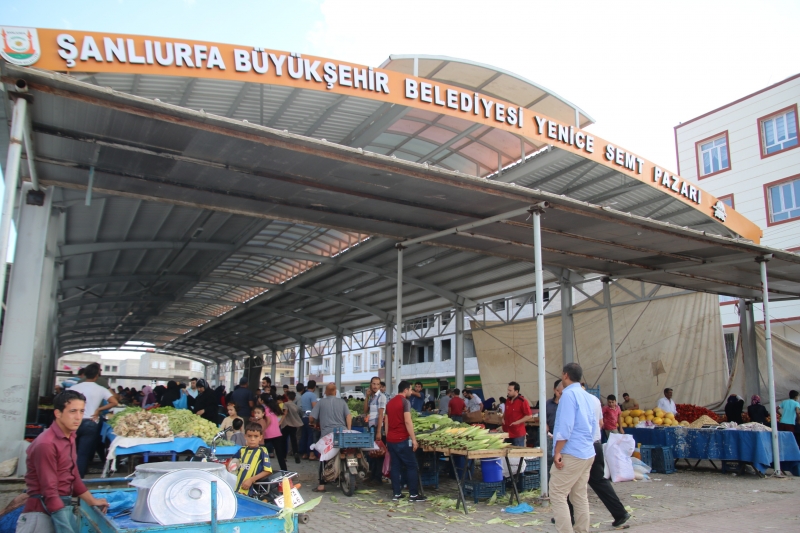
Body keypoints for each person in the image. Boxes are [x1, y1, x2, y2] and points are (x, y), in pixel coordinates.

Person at [17, 391, 109, 533]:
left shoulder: (70, 437)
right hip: (41, 514)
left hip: (62, 507)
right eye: (72, 411)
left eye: (81, 411)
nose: (78, 417)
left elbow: (73, 476)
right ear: (58, 413)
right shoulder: (46, 443)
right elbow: (49, 490)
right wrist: (65, 525)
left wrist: (91, 500)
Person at [550, 363, 597, 533]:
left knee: (557, 493)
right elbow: (594, 426)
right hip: (587, 451)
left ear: (565, 375)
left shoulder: (568, 395)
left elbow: (566, 427)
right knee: (579, 495)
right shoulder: (587, 396)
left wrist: (557, 451)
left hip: (572, 452)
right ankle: (581, 530)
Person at [69, 363, 118, 476]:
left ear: (85, 374)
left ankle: (67, 477)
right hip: (91, 422)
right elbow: (114, 402)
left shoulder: (74, 388)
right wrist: (99, 409)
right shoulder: (100, 389)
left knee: (71, 451)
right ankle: (78, 479)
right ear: (97, 376)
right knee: (83, 454)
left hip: (74, 422)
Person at [385, 381, 426, 502]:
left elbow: (386, 422)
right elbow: (408, 421)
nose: (411, 392)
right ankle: (413, 494)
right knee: (411, 465)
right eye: (410, 389)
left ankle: (396, 493)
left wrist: (387, 437)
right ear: (405, 390)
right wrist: (414, 439)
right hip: (402, 439)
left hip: (391, 440)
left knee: (395, 466)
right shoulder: (405, 402)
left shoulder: (389, 403)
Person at [310, 383, 352, 492]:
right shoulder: (342, 402)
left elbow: (311, 417)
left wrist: (313, 422)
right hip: (342, 433)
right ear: (335, 391)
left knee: (323, 457)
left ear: (325, 392)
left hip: (327, 435)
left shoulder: (321, 402)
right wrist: (348, 430)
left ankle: (321, 485)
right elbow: (348, 416)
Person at [232, 422, 272, 497]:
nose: (252, 439)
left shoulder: (262, 451)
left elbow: (267, 471)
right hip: (237, 488)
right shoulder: (242, 450)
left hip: (251, 491)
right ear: (245, 436)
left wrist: (251, 480)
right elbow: (232, 462)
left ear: (260, 437)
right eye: (249, 436)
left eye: (256, 436)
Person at [365, 376, 386, 484]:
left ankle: (377, 478)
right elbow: (365, 410)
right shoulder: (372, 397)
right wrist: (366, 397)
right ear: (370, 384)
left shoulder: (381, 397)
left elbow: (381, 414)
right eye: (374, 383)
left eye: (378, 384)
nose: (375, 386)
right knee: (371, 452)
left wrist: (378, 431)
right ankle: (372, 475)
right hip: (371, 427)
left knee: (378, 453)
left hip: (377, 427)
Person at [503, 381, 533, 447]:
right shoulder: (508, 400)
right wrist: (503, 418)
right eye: (508, 390)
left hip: (518, 433)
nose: (508, 392)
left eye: (510, 390)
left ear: (516, 391)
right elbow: (506, 411)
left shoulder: (523, 401)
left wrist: (517, 422)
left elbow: (529, 415)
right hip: (507, 431)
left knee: (518, 451)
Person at [263, 400, 288, 471]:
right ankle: (284, 470)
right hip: (277, 433)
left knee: (261, 451)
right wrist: (280, 422)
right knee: (280, 454)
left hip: (268, 433)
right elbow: (284, 413)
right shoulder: (274, 408)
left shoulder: (266, 409)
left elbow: (268, 420)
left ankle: (262, 468)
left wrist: (264, 429)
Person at [280, 391, 303, 463]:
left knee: (283, 441)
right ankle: (296, 453)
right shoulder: (296, 406)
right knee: (294, 440)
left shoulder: (286, 404)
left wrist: (280, 422)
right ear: (294, 398)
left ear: (287, 397)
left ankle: (283, 456)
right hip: (294, 425)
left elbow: (285, 413)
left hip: (286, 424)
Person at [300, 381, 318, 460]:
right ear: (314, 387)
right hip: (310, 418)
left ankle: (304, 454)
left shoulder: (303, 395)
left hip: (303, 417)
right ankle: (311, 454)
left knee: (304, 435)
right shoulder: (312, 395)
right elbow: (315, 407)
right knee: (311, 436)